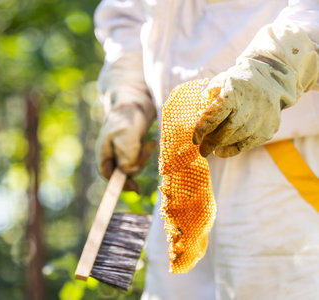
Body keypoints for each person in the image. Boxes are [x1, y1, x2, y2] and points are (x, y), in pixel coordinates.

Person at [93, 0, 319, 299]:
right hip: (178, 173)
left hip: (280, 164)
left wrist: (276, 66)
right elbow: (128, 15)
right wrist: (127, 98)